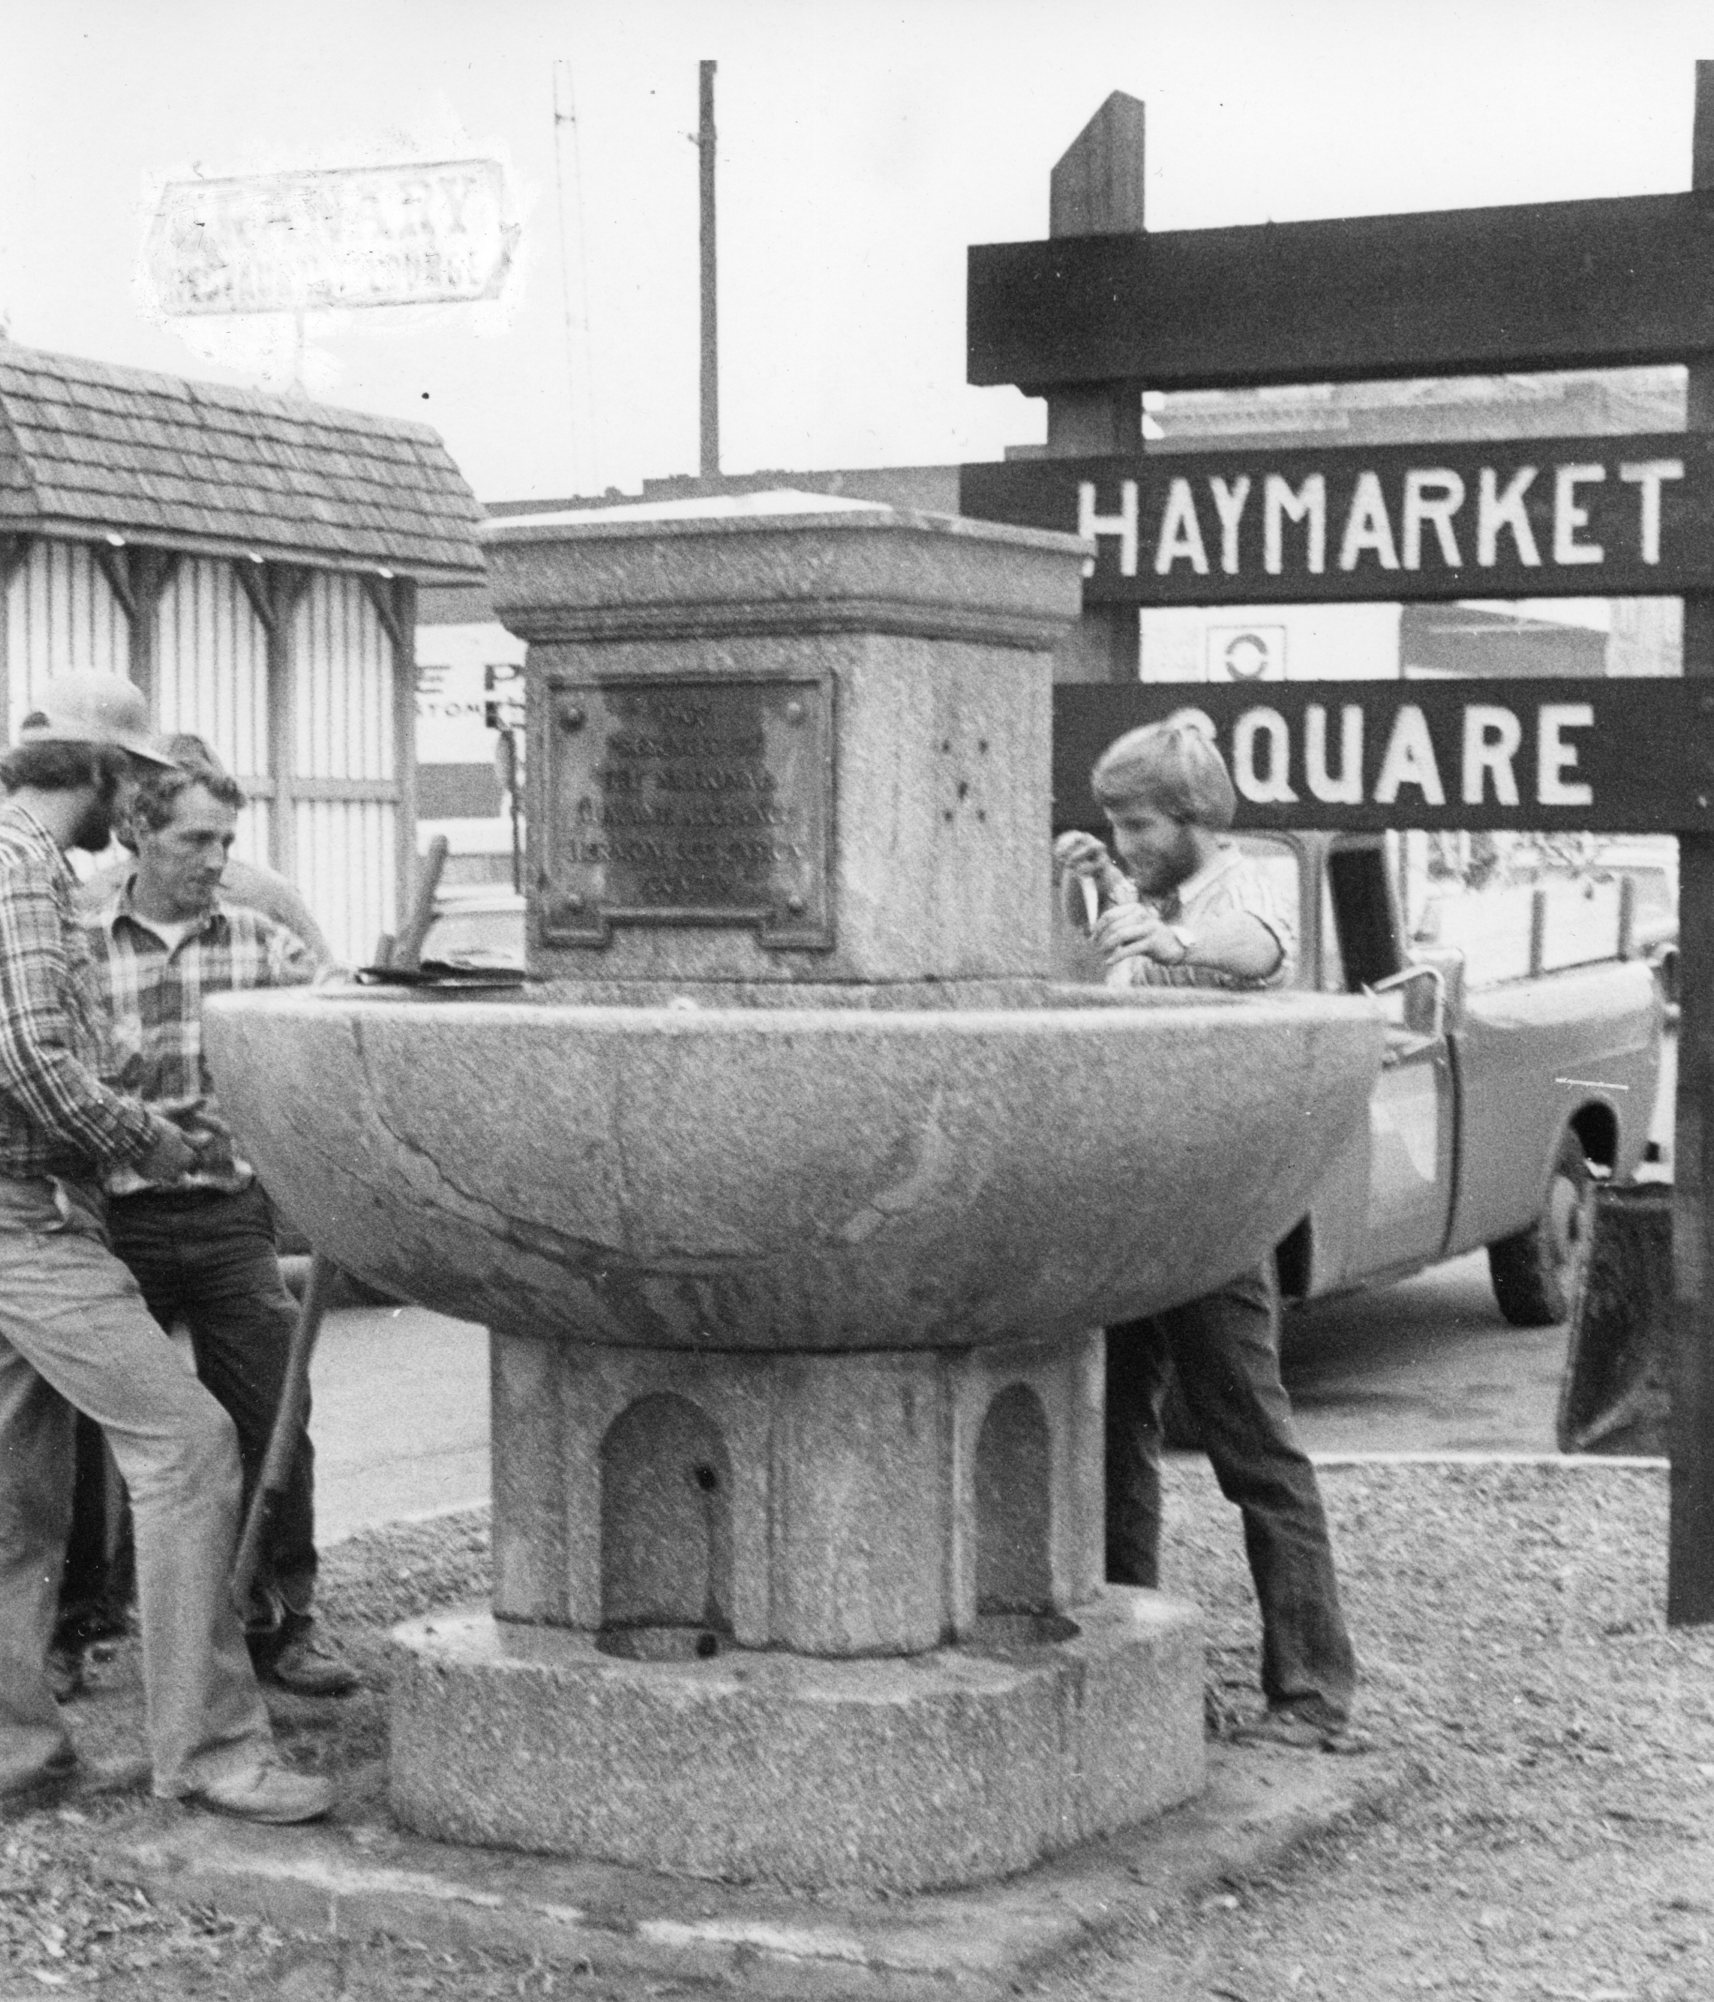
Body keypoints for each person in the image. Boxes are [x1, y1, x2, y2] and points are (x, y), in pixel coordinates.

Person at [0, 672, 331, 1820]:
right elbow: (36, 1065)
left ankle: (16, 1755)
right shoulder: (28, 870)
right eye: (129, 781)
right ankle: (214, 1751)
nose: (127, 803)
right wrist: (150, 1134)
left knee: (14, 1497)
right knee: (189, 1449)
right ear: (99, 773)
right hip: (32, 1214)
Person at [1055, 712, 1359, 1749]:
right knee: (1112, 1445)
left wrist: (1170, 936)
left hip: (1219, 1216)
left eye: (1139, 822)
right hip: (1132, 1208)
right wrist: (1104, 886)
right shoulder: (1143, 891)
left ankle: (1313, 1692)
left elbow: (1261, 949)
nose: (1129, 838)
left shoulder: (1241, 890)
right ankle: (1139, 1669)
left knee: (1254, 1451)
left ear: (1193, 815)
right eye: (1112, 822)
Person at [79, 750, 357, 1697]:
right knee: (90, 1428)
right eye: (196, 838)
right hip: (108, 1222)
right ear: (137, 832)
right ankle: (83, 1626)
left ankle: (284, 1615)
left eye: (227, 841)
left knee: (274, 1406)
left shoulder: (259, 940)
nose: (216, 858)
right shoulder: (75, 937)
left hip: (229, 1218)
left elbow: (334, 1032)